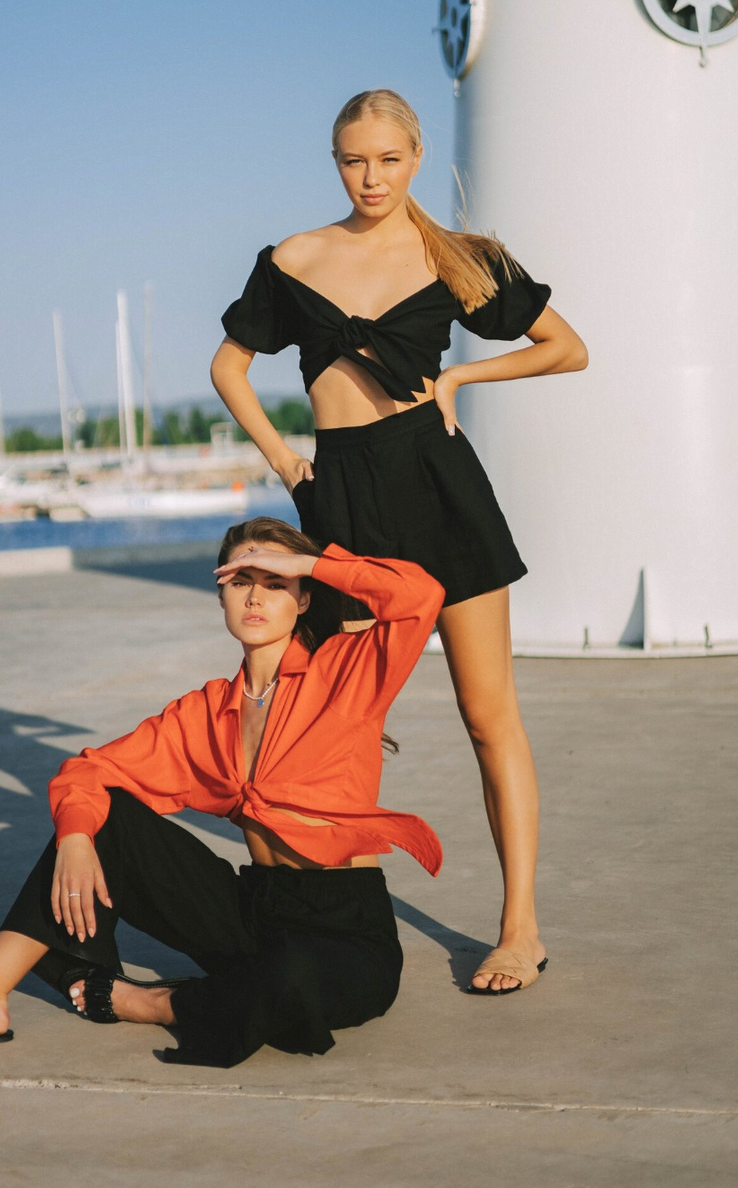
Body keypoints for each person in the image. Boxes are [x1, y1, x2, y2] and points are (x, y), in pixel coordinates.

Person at [211, 89, 588, 995]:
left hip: (440, 487)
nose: (371, 177)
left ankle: (520, 931)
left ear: (416, 156)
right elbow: (229, 367)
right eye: (354, 160)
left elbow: (565, 347)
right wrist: (287, 463)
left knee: (488, 717)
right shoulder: (293, 259)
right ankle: (336, 920)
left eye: (387, 159)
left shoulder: (457, 258)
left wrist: (460, 381)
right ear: (336, 162)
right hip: (341, 499)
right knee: (339, 723)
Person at [0, 516, 444, 1067]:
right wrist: (76, 839)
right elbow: (89, 771)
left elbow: (421, 596)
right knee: (108, 819)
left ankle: (145, 1001)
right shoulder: (205, 712)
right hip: (255, 912)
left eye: (275, 583)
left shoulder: (346, 673)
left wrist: (309, 562)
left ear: (304, 597)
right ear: (220, 596)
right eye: (240, 581)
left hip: (346, 928)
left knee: (288, 978)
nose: (255, 597)